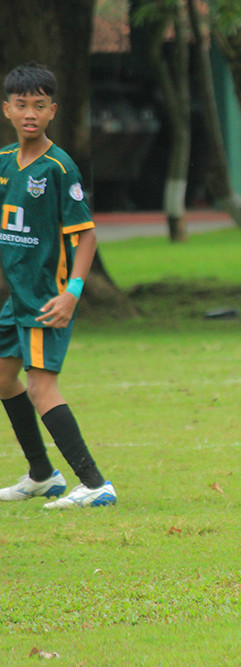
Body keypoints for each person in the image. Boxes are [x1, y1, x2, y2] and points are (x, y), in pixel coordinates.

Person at [0, 63, 116, 509]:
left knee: (40, 387)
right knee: (5, 377)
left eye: (40, 105)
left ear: (53, 111)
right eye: (22, 105)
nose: (30, 113)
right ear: (7, 109)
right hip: (18, 297)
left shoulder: (58, 167)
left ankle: (94, 483)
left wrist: (73, 292)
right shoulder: (6, 163)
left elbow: (86, 234)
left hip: (48, 296)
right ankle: (42, 475)